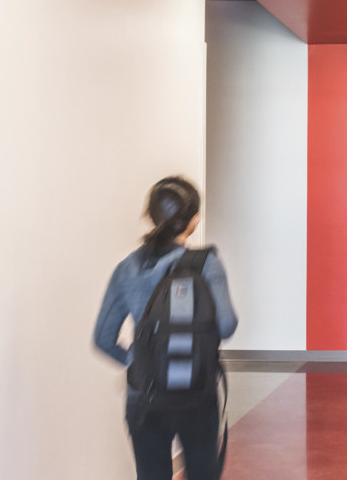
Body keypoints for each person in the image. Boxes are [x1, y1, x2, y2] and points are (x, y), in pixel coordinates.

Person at [94, 176, 239, 480]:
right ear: (194, 220)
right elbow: (226, 326)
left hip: (144, 397)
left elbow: (103, 338)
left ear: (151, 216)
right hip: (197, 393)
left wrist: (140, 362)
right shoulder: (205, 263)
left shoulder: (127, 269)